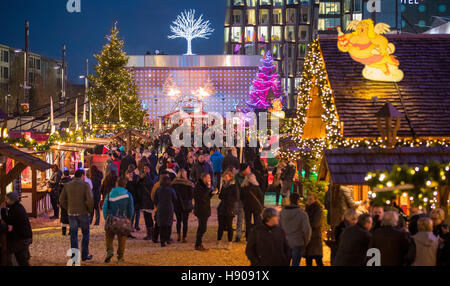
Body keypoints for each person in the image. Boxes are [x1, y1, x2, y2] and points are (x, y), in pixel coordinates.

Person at [59, 169, 94, 262]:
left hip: (71, 213)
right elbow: (90, 200)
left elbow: (61, 200)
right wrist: (89, 210)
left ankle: (74, 258)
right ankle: (84, 255)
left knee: (73, 235)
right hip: (83, 212)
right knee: (85, 233)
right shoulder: (85, 185)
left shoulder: (67, 185)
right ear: (82, 176)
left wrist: (68, 207)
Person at [102, 176, 134, 263]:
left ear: (117, 183)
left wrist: (106, 217)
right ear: (125, 185)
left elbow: (105, 207)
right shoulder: (128, 194)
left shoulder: (110, 194)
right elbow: (131, 208)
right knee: (122, 239)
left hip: (112, 219)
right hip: (123, 219)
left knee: (109, 237)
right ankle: (120, 257)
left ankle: (110, 250)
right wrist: (129, 218)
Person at [0, 192, 33, 266]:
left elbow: (8, 221)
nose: (5, 201)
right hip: (25, 237)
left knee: (8, 253)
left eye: (7, 199)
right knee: (22, 259)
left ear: (12, 200)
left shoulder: (15, 209)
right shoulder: (18, 207)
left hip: (21, 238)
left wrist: (2, 210)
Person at [279, 193, 311, 266]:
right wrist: (306, 241)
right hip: (298, 242)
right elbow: (307, 230)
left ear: (289, 200)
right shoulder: (302, 214)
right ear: (298, 200)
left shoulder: (282, 213)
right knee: (295, 264)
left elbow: (278, 228)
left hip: (285, 242)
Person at [240, 166, 264, 241]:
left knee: (248, 222)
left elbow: (241, 197)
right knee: (257, 222)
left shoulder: (244, 187)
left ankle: (248, 237)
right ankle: (257, 237)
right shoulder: (256, 187)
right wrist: (262, 205)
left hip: (247, 206)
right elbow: (261, 196)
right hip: (256, 206)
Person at [216, 170, 239, 249]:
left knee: (229, 226)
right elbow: (220, 196)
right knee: (220, 226)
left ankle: (229, 242)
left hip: (229, 208)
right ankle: (219, 241)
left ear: (230, 177)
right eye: (224, 177)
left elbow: (236, 197)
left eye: (226, 177)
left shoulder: (234, 186)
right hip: (222, 207)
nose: (225, 178)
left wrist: (227, 197)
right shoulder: (224, 186)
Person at [193, 173, 215, 251]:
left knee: (203, 228)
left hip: (204, 209)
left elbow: (207, 197)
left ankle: (199, 243)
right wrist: (208, 189)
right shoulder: (199, 187)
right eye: (208, 178)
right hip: (201, 210)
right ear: (204, 178)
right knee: (202, 228)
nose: (210, 179)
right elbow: (202, 197)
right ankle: (197, 244)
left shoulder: (203, 186)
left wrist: (212, 193)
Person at [171, 169, 194, 243]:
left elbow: (173, 194)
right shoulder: (188, 184)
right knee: (185, 221)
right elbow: (191, 195)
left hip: (177, 204)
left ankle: (178, 235)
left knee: (178, 220)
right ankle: (184, 237)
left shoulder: (174, 183)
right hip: (185, 204)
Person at [154, 175, 177, 247]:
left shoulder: (158, 189)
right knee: (169, 224)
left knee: (161, 225)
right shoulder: (171, 189)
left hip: (161, 207)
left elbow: (155, 199)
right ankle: (167, 238)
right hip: (169, 207)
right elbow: (175, 198)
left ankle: (162, 241)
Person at [303, 193, 324, 266]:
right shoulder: (306, 209)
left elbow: (316, 223)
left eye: (311, 199)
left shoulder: (318, 209)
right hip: (308, 238)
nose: (309, 201)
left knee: (318, 260)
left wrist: (306, 225)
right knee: (308, 260)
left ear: (315, 199)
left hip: (315, 237)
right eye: (308, 199)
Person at [234, 163, 249, 242]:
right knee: (241, 217)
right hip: (241, 198)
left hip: (248, 199)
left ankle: (247, 234)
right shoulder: (237, 177)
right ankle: (238, 235)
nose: (249, 170)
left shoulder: (249, 176)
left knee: (247, 218)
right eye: (247, 168)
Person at [140, 164, 155, 241]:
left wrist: (147, 175)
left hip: (148, 200)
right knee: (147, 217)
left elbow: (149, 184)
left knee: (148, 217)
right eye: (144, 168)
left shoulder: (150, 177)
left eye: (146, 168)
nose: (145, 170)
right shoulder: (144, 177)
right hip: (145, 200)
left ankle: (150, 234)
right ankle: (149, 233)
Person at [126, 165, 141, 233]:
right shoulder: (127, 180)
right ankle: (132, 226)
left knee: (135, 212)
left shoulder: (136, 178)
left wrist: (130, 182)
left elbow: (135, 188)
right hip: (132, 198)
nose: (130, 174)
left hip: (135, 198)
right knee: (133, 213)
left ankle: (135, 225)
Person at [59, 170, 72, 236]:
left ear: (63, 174)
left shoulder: (61, 182)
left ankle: (63, 232)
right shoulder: (71, 181)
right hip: (70, 201)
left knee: (63, 215)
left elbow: (59, 193)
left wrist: (58, 202)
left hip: (63, 201)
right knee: (70, 215)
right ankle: (70, 231)